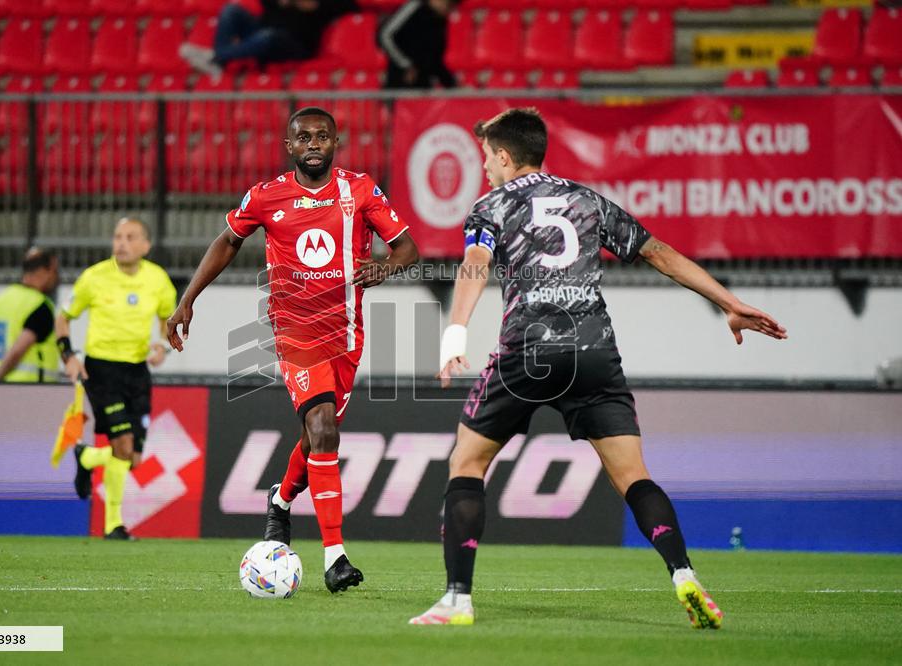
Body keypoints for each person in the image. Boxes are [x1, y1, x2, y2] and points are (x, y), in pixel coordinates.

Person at [409, 108, 788, 627]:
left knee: (468, 462)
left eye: (486, 158)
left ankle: (457, 600)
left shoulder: (491, 205)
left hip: (530, 349)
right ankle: (683, 573)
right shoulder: (586, 200)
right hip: (594, 350)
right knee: (633, 476)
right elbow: (658, 252)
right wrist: (729, 302)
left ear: (504, 157)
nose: (485, 169)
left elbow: (476, 263)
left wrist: (455, 331)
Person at [166, 107, 419, 592]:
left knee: (315, 435)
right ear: (289, 146)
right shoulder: (266, 196)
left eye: (322, 136)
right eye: (304, 137)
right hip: (295, 334)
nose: (313, 144)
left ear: (336, 142)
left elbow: (407, 248)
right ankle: (335, 558)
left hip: (345, 336)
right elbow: (227, 241)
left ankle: (280, 500)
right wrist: (187, 299)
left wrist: (386, 268)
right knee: (323, 427)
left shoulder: (361, 190)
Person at [56, 217, 177, 541]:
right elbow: (63, 318)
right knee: (122, 445)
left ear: (145, 245)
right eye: (118, 236)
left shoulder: (158, 279)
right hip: (102, 370)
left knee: (133, 459)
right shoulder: (94, 277)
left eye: (130, 237)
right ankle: (113, 525)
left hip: (137, 372)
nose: (121, 243)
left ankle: (87, 457)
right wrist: (68, 356)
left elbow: (167, 318)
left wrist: (162, 345)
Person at [180, 0, 358, 80]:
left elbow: (351, 5)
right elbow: (266, 5)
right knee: (230, 10)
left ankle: (216, 57)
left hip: (297, 44)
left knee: (269, 36)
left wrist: (317, 5)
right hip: (264, 30)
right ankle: (219, 62)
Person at [0, 248, 60, 383]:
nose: (56, 278)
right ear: (43, 271)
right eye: (54, 271)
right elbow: (19, 349)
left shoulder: (0, 300)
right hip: (31, 388)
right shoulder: (40, 306)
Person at [379, 0, 458, 89]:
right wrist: (406, 65)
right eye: (446, 3)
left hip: (422, 88)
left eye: (451, 5)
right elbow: (385, 35)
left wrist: (452, 85)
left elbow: (434, 61)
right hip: (398, 85)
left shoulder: (440, 21)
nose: (447, 8)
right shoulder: (414, 7)